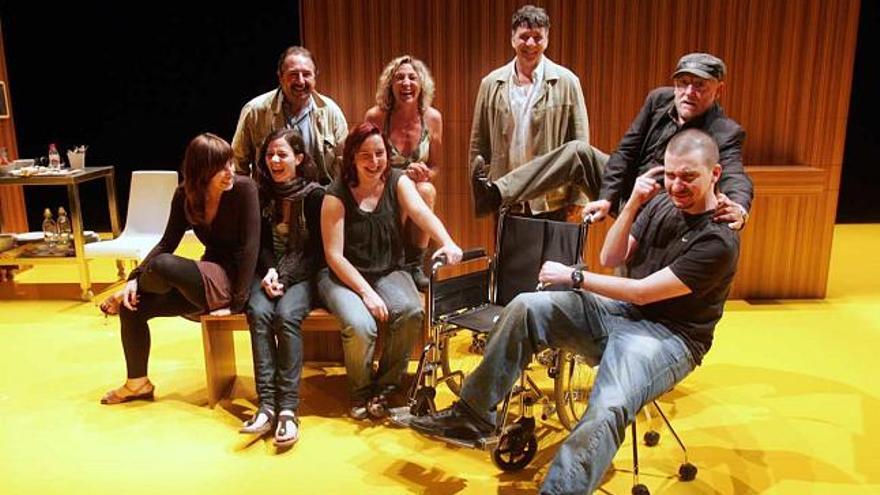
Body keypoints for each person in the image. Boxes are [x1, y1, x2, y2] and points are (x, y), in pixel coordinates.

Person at [410, 129, 740, 494]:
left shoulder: (718, 239)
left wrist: (575, 277)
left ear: (715, 174)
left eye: (689, 176)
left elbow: (644, 293)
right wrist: (632, 204)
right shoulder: (662, 203)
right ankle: (473, 415)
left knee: (609, 404)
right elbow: (611, 257)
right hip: (623, 310)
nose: (677, 185)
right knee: (527, 307)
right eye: (671, 174)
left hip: (670, 336)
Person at [475, 52, 753, 230]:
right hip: (626, 191)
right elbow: (626, 151)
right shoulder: (659, 99)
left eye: (700, 85)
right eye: (683, 83)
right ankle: (496, 194)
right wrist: (607, 199)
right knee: (578, 152)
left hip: (663, 209)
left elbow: (736, 176)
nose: (689, 92)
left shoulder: (724, 131)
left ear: (719, 90)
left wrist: (739, 208)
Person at [100, 133, 260, 405]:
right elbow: (167, 243)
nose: (229, 172)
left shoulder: (245, 189)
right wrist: (133, 278)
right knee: (132, 306)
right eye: (221, 167)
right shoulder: (185, 195)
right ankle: (137, 383)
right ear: (201, 170)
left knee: (162, 267)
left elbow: (250, 249)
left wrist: (238, 303)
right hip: (205, 279)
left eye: (230, 164)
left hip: (234, 282)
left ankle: (128, 291)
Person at [318, 122, 463, 420]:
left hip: (387, 268)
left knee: (411, 311)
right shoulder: (336, 194)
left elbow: (422, 212)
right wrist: (367, 293)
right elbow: (334, 256)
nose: (374, 162)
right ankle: (360, 392)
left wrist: (447, 241)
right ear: (352, 158)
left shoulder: (397, 181)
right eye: (365, 155)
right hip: (343, 276)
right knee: (361, 326)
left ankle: (384, 388)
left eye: (380, 153)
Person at [469, 4, 603, 221]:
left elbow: (581, 143)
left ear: (547, 39)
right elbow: (478, 144)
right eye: (524, 37)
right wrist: (485, 195)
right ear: (512, 39)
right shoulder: (490, 83)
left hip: (552, 198)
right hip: (506, 197)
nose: (530, 43)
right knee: (508, 256)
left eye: (537, 37)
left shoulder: (567, 82)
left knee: (552, 257)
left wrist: (578, 197)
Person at [240, 129, 325, 447]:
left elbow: (315, 252)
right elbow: (257, 244)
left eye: (282, 154)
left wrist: (284, 277)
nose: (274, 160)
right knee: (258, 313)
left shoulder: (315, 195)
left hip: (302, 277)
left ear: (299, 159)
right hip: (267, 274)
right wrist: (269, 272)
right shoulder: (260, 195)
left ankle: (288, 408)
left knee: (287, 316)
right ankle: (266, 406)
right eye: (270, 154)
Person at [365, 55, 443, 289]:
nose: (406, 83)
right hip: (383, 185)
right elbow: (365, 160)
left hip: (416, 188)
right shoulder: (376, 117)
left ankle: (415, 264)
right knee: (407, 191)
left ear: (422, 84)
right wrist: (397, 174)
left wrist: (424, 174)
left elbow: (436, 167)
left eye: (412, 77)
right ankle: (391, 257)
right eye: (399, 78)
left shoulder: (433, 118)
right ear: (390, 85)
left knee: (427, 190)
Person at [232, 46, 348, 183]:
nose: (300, 81)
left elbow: (345, 163)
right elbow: (238, 164)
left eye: (306, 74)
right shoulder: (254, 111)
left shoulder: (331, 112)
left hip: (320, 199)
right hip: (269, 201)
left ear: (315, 77)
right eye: (293, 74)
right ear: (280, 77)